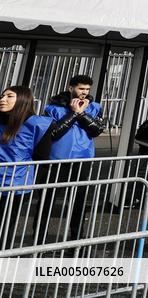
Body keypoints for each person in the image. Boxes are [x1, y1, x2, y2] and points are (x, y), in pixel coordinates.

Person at [42, 74, 106, 239]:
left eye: (87, 89)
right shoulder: (53, 108)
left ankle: (76, 237)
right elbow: (53, 134)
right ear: (71, 88)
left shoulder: (95, 107)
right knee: (47, 200)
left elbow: (97, 130)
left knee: (79, 201)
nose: (84, 92)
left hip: (83, 158)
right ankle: (39, 237)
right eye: (81, 88)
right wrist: (73, 113)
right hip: (57, 159)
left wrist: (82, 114)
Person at [0, 86, 54, 247]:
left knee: (4, 226)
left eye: (9, 96)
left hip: (15, 183)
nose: (2, 99)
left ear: (23, 100)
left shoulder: (38, 124)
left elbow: (42, 158)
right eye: (2, 96)